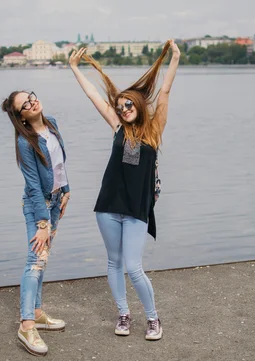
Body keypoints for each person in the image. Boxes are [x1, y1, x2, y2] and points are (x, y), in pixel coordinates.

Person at [68, 39, 180, 341]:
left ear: (139, 105)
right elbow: (94, 96)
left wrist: (174, 59)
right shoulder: (118, 127)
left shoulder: (154, 130)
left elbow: (165, 90)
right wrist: (75, 69)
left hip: (136, 210)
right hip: (108, 206)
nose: (124, 108)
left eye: (129, 104)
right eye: (120, 105)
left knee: (133, 266)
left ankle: (153, 319)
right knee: (113, 262)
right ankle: (123, 314)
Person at [1, 90, 71, 356]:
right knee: (35, 260)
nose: (32, 102)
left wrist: (67, 190)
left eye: (31, 96)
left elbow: (59, 163)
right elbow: (32, 184)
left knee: (44, 258)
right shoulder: (24, 141)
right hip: (37, 205)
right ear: (22, 117)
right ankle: (27, 325)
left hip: (55, 201)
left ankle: (38, 313)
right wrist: (42, 222)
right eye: (25, 104)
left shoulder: (51, 122)